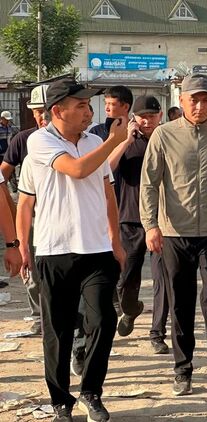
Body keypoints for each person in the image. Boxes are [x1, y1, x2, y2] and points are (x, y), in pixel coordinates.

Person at [16, 77, 128, 422]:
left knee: (103, 320)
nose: (88, 111)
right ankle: (60, 401)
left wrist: (115, 241)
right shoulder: (40, 141)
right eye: (80, 105)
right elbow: (76, 171)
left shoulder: (95, 141)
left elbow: (107, 193)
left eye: (88, 104)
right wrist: (21, 246)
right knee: (59, 330)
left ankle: (91, 392)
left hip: (97, 250)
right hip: (55, 249)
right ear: (57, 111)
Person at [140, 73, 207, 397]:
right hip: (175, 233)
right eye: (193, 100)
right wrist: (150, 225)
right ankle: (182, 370)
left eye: (205, 100)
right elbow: (149, 183)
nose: (199, 106)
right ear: (182, 101)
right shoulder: (164, 135)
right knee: (180, 302)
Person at [106, 95, 170, 354]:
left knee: (162, 279)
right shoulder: (124, 140)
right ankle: (131, 309)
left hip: (163, 220)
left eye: (152, 116)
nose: (147, 121)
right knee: (126, 276)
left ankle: (157, 333)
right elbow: (106, 169)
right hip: (130, 218)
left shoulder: (167, 139)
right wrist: (126, 141)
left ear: (160, 116)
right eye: (142, 117)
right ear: (134, 117)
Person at [0, 85, 48, 334]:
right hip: (30, 212)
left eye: (47, 110)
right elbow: (3, 175)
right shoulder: (23, 139)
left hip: (61, 214)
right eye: (38, 111)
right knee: (29, 265)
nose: (43, 116)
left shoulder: (77, 141)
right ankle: (39, 316)